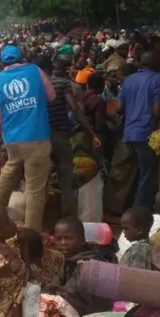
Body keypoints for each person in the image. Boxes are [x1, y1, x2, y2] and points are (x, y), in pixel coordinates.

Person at [0, 45, 55, 231]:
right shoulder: (35, 70)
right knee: (35, 190)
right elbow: (51, 96)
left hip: (12, 138)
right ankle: (31, 233)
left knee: (10, 170)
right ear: (23, 58)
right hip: (37, 136)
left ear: (2, 62)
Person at [43, 57, 100, 217]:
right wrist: (92, 133)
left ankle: (47, 219)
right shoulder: (62, 83)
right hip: (60, 136)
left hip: (41, 139)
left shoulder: (35, 86)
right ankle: (67, 218)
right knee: (66, 179)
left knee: (42, 182)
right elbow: (75, 108)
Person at [117, 51, 160, 209]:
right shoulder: (159, 80)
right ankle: (140, 211)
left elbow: (118, 108)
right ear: (157, 64)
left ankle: (126, 206)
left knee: (139, 172)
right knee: (148, 175)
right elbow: (156, 109)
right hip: (147, 133)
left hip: (129, 133)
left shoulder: (129, 80)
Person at [45, 216, 116, 317]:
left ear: (82, 240)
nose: (63, 243)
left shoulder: (89, 264)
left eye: (68, 238)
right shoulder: (69, 258)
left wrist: (43, 289)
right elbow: (55, 280)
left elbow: (69, 294)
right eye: (58, 239)